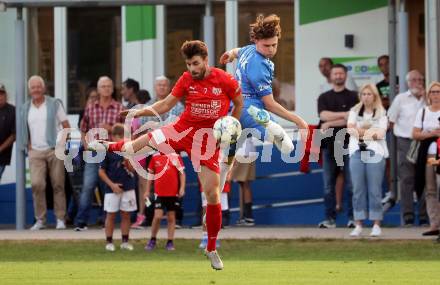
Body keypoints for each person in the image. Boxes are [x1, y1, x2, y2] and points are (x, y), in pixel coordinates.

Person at [92, 40, 243, 270]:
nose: (192, 68)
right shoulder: (186, 79)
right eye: (188, 64)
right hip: (180, 130)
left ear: (205, 59)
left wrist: (232, 128)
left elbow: (239, 104)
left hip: (207, 141)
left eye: (195, 63)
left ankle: (211, 247)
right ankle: (106, 145)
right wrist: (140, 111)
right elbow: (165, 104)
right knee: (135, 147)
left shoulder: (225, 80)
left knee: (212, 195)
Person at [219, 14, 308, 193]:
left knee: (224, 163)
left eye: (274, 45)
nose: (271, 49)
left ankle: (217, 189)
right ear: (256, 40)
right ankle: (268, 128)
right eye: (266, 46)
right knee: (287, 145)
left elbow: (237, 51)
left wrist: (229, 55)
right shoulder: (259, 67)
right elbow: (270, 104)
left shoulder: (249, 49)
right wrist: (298, 120)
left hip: (235, 108)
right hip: (250, 110)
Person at [20, 75, 71, 230]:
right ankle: (40, 220)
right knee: (37, 184)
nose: (36, 89)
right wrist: (27, 144)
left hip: (54, 150)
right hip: (35, 151)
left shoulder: (54, 104)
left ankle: (60, 218)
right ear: (29, 90)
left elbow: (66, 125)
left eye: (38, 86)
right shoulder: (25, 107)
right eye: (33, 87)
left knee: (58, 184)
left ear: (43, 88)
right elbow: (24, 128)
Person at [74, 76, 125, 231]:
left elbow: (126, 130)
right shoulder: (90, 107)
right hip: (93, 152)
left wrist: (111, 129)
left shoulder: (119, 107)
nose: (106, 89)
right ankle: (81, 221)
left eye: (109, 86)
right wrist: (86, 145)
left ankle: (106, 221)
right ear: (98, 89)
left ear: (112, 88)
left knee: (106, 187)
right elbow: (83, 129)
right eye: (103, 86)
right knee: (88, 186)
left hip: (111, 152)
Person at [317, 64, 358, 228]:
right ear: (331, 76)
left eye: (341, 73)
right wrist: (344, 116)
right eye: (336, 73)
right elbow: (322, 115)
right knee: (328, 185)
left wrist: (329, 123)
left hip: (350, 144)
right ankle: (329, 219)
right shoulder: (324, 97)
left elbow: (354, 118)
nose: (338, 76)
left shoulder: (354, 96)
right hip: (329, 145)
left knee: (352, 184)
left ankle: (354, 219)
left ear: (345, 76)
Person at [347, 84, 388, 237]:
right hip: (357, 151)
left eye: (369, 94)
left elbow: (381, 135)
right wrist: (371, 131)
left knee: (375, 189)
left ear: (374, 96)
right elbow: (350, 130)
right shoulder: (354, 111)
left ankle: (376, 224)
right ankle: (358, 224)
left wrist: (361, 131)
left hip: (375, 153)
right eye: (363, 94)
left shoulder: (382, 113)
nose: (366, 97)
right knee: (357, 189)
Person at [388, 70, 427, 226]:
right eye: (414, 80)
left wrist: (426, 98)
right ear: (408, 83)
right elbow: (391, 120)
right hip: (405, 141)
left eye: (420, 79)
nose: (417, 82)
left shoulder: (429, 98)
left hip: (425, 141)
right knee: (406, 179)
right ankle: (408, 215)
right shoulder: (401, 99)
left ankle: (424, 215)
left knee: (424, 179)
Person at [99, 124, 137, 251]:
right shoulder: (107, 151)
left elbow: (133, 170)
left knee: (126, 215)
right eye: (120, 137)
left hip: (128, 186)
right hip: (112, 188)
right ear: (114, 137)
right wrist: (112, 185)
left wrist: (128, 160)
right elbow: (101, 172)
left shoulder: (129, 150)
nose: (123, 140)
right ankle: (109, 242)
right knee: (111, 215)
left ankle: (125, 242)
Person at [412, 81, 440, 235]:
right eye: (433, 92)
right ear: (428, 95)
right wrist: (431, 134)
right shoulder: (423, 112)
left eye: (438, 91)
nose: (436, 95)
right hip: (429, 155)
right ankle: (434, 224)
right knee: (430, 189)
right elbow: (415, 134)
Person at [144, 152, 185, 251]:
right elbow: (150, 175)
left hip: (172, 193)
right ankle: (152, 239)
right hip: (159, 193)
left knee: (171, 217)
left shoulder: (176, 157)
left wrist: (182, 188)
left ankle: (170, 242)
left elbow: (182, 174)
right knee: (157, 216)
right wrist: (147, 191)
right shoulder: (155, 157)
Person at [198, 179, 230, 249]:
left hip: (222, 185)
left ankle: (215, 238)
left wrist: (228, 175)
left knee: (218, 212)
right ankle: (205, 237)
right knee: (206, 209)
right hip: (207, 184)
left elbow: (230, 170)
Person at [232, 137, 257, 226]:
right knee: (243, 183)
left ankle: (248, 216)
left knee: (243, 183)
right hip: (247, 151)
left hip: (242, 152)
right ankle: (245, 216)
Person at [0, 83, 16, 182]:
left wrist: (0, 148)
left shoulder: (12, 110)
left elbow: (14, 135)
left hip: (2, 155)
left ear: (6, 95)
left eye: (2, 94)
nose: (0, 97)